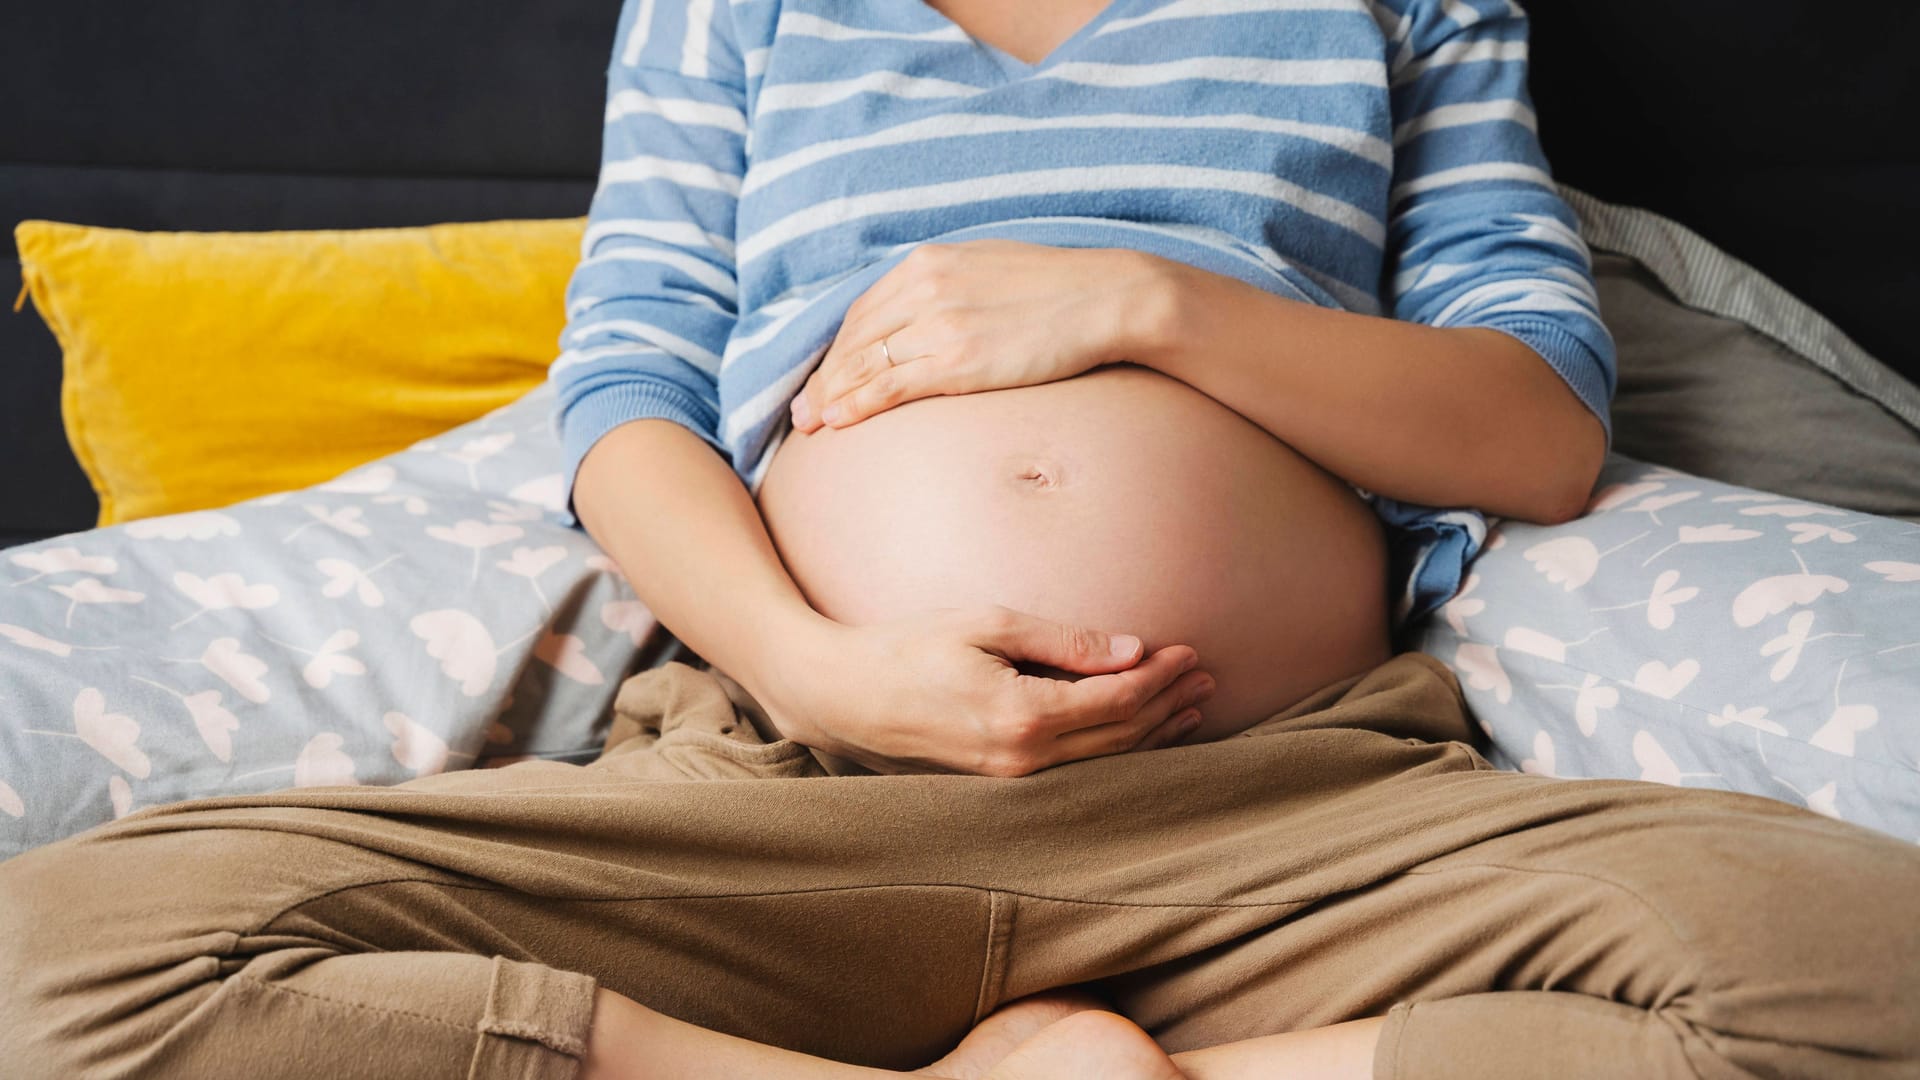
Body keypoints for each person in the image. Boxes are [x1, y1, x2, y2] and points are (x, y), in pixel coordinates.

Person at [1, 2, 1915, 1078]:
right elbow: (625, 404)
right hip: (782, 798)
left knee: (1864, 962)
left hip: (1286, 814)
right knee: (60, 964)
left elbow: (1540, 433)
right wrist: (814, 660)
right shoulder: (739, 4)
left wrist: (1138, 306)